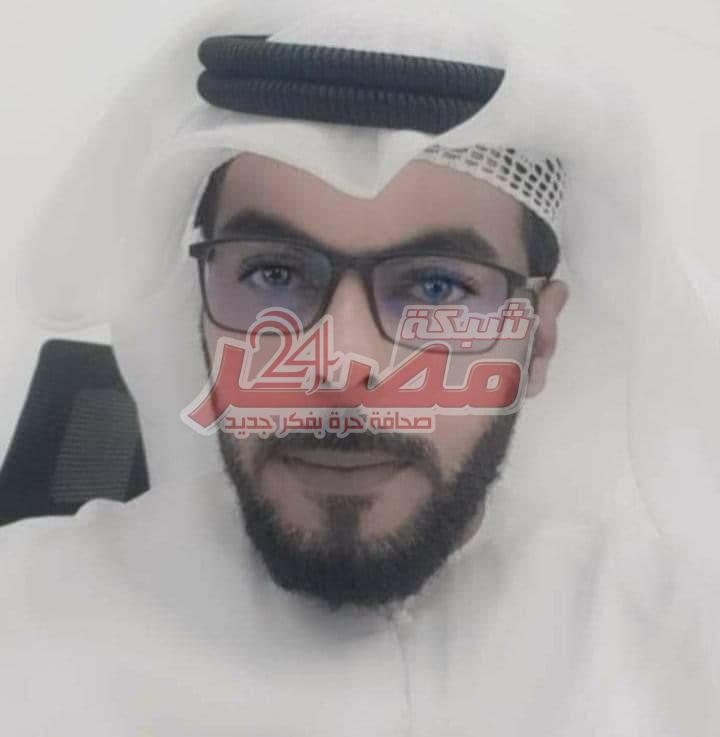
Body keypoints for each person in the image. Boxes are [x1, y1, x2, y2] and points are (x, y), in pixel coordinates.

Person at [2, 2, 719, 735]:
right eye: (275, 274)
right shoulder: (24, 622)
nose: (341, 364)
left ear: (538, 341)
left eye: (437, 286)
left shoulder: (677, 649)